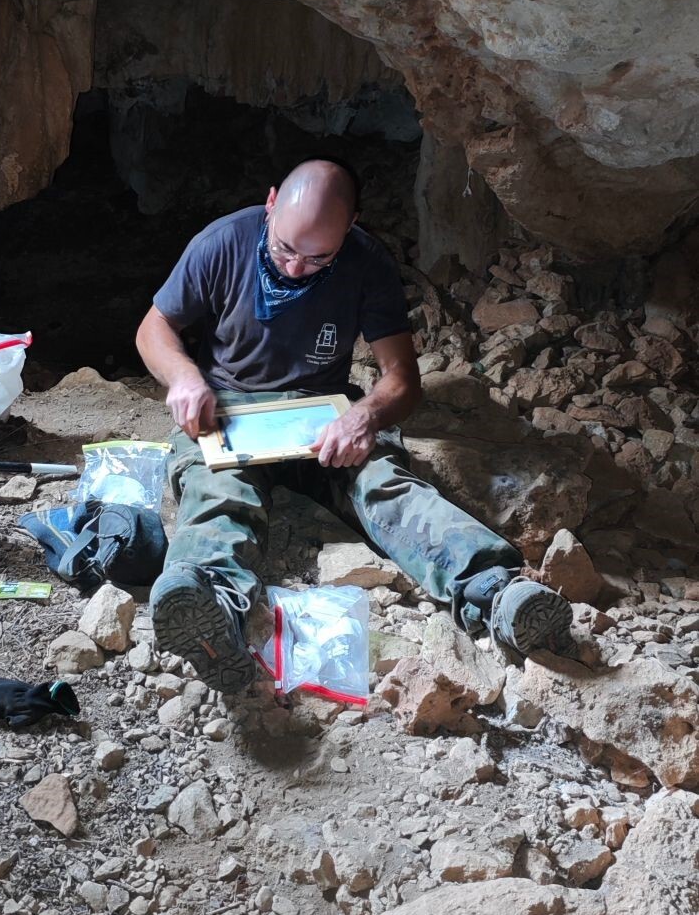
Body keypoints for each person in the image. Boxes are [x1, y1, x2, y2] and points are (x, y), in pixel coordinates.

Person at [135, 158, 572, 695]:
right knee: (216, 487)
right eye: (285, 249)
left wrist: (365, 415)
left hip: (320, 415)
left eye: (319, 257)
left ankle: (493, 590)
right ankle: (206, 606)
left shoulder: (366, 262)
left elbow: (401, 378)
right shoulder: (223, 242)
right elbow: (154, 327)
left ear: (350, 227)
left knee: (384, 484)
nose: (296, 268)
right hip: (231, 408)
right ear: (271, 203)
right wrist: (183, 377)